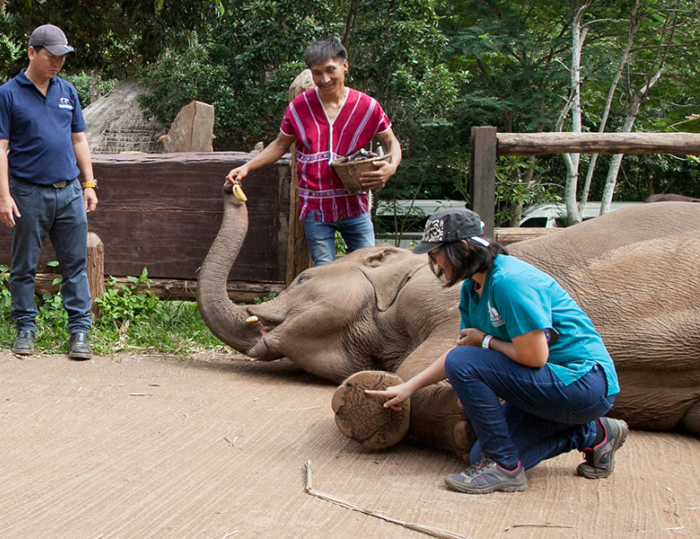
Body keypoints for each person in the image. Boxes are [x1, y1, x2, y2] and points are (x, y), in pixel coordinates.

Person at [366, 208, 627, 494]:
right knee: (482, 453)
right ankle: (595, 433)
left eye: (436, 252)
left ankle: (504, 468)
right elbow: (464, 347)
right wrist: (409, 388)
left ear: (463, 248)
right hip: (548, 383)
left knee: (469, 373)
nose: (434, 261)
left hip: (583, 382)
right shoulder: (472, 287)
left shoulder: (510, 282)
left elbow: (533, 356)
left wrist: (485, 342)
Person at [226, 38, 402, 266]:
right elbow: (280, 145)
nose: (325, 79)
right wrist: (247, 166)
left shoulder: (367, 106)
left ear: (344, 66)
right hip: (315, 209)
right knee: (323, 274)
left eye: (331, 70)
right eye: (317, 73)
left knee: (370, 270)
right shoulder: (299, 108)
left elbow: (392, 142)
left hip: (355, 205)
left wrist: (392, 166)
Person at [0, 24, 99, 360]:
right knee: (23, 265)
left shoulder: (68, 91)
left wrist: (89, 183)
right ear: (32, 51)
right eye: (51, 56)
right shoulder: (8, 94)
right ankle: (25, 327)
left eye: (62, 57)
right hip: (28, 194)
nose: (58, 63)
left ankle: (79, 331)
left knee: (75, 265)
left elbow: (79, 139)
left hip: (69, 194)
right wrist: (4, 196)